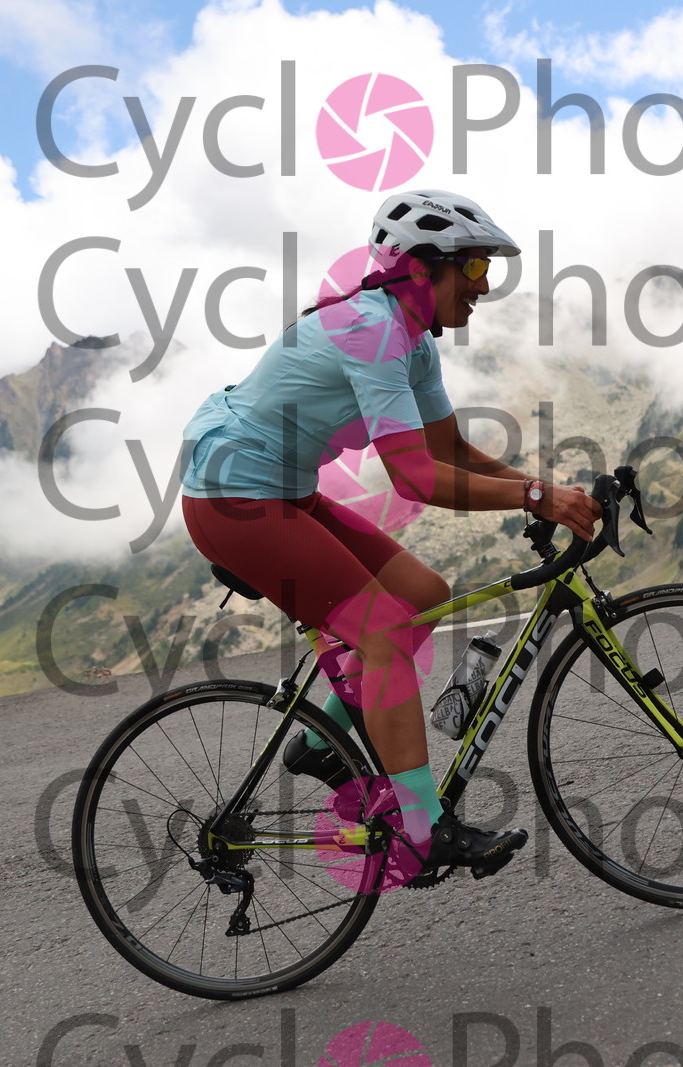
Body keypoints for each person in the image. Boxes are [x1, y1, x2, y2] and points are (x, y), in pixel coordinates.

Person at [178, 189, 602, 879]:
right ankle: (424, 829)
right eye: (473, 269)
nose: (484, 286)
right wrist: (535, 498)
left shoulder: (413, 341)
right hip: (233, 497)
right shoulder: (373, 331)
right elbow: (415, 478)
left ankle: (323, 746)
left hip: (283, 491)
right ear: (421, 269)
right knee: (380, 630)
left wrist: (541, 491)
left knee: (422, 594)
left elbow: (450, 452)